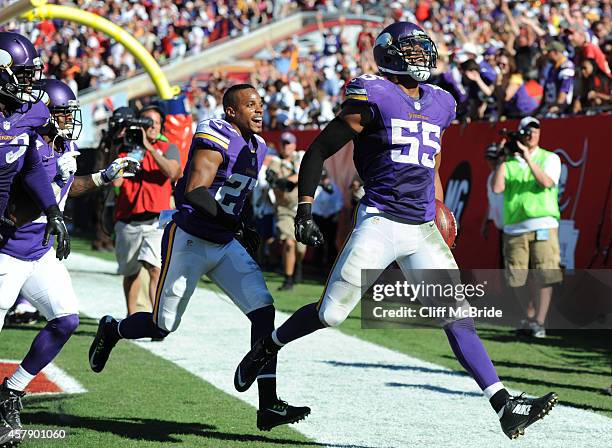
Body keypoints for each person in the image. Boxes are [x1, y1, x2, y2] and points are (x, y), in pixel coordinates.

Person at [234, 22, 557, 440]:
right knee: (331, 314)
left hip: (422, 226)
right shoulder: (373, 95)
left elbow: (433, 164)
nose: (421, 58)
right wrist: (305, 208)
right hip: (380, 221)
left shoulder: (442, 102)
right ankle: (270, 345)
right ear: (388, 54)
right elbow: (317, 149)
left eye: (424, 51)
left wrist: (437, 204)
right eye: (411, 51)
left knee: (457, 318)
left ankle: (504, 404)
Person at [88, 84, 310, 431]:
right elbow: (195, 191)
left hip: (223, 241)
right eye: (249, 105)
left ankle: (268, 405)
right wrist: (234, 224)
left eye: (261, 104)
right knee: (163, 325)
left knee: (264, 311)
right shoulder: (215, 133)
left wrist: (243, 225)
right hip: (189, 239)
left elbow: (236, 197)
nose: (258, 110)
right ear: (230, 112)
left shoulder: (260, 145)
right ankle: (113, 330)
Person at [0, 79, 138, 445]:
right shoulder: (21, 143)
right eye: (61, 112)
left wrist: (102, 177)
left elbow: (64, 187)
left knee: (65, 320)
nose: (66, 120)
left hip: (39, 252)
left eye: (67, 113)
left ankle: (11, 391)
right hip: (8, 251)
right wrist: (52, 178)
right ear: (43, 112)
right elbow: (15, 209)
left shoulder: (60, 143)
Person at [493, 116, 563, 339]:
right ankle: (529, 315)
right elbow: (497, 188)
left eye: (536, 130)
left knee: (545, 274)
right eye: (527, 131)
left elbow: (546, 182)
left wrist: (527, 157)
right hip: (515, 227)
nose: (532, 134)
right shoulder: (510, 162)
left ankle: (539, 322)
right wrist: (503, 158)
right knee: (517, 277)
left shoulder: (550, 158)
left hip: (543, 223)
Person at [0, 32, 69, 256]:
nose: (30, 83)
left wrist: (52, 211)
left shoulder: (32, 112)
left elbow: (31, 167)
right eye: (24, 75)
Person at [113, 105, 181, 315]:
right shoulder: (125, 148)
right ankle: (131, 317)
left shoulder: (169, 146)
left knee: (155, 269)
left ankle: (156, 320)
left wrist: (150, 148)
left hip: (157, 220)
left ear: (161, 126)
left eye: (155, 123)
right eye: (147, 122)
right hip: (129, 219)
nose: (151, 126)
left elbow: (172, 172)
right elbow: (115, 183)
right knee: (131, 272)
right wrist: (121, 146)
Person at [266, 131, 305, 290]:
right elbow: (273, 179)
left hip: (302, 208)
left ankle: (297, 266)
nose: (286, 146)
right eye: (283, 143)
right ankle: (288, 279)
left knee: (301, 247)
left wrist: (290, 180)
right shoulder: (276, 162)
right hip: (284, 208)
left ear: (294, 145)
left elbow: (307, 173)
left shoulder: (300, 158)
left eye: (289, 143)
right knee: (289, 242)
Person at [312, 167, 344, 270]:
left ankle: (331, 266)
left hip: (330, 217)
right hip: (317, 217)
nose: (322, 180)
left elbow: (339, 202)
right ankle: (317, 266)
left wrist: (335, 215)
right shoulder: (314, 187)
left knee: (330, 242)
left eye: (323, 177)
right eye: (320, 178)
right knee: (317, 242)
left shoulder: (333, 187)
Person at [540, 41, 575, 115]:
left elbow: (565, 89)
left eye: (549, 52)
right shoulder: (552, 68)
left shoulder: (567, 67)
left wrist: (557, 106)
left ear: (556, 52)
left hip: (562, 110)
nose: (546, 55)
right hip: (549, 106)